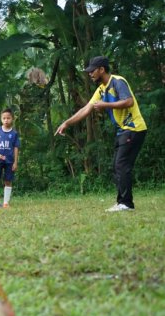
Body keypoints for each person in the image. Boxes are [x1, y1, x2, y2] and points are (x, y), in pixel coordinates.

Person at [55, 56, 147, 211]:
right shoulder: (101, 89)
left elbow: (129, 101)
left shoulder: (118, 81)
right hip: (122, 131)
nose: (90, 74)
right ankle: (122, 202)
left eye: (92, 70)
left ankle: (126, 204)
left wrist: (105, 105)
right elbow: (86, 109)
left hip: (134, 128)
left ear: (102, 69)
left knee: (121, 165)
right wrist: (67, 123)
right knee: (117, 166)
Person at [0, 108, 21, 208]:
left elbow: (16, 148)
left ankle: (6, 202)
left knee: (8, 181)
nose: (6, 120)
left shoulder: (14, 133)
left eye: (8, 118)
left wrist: (15, 162)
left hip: (9, 161)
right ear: (1, 119)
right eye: (4, 118)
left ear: (12, 119)